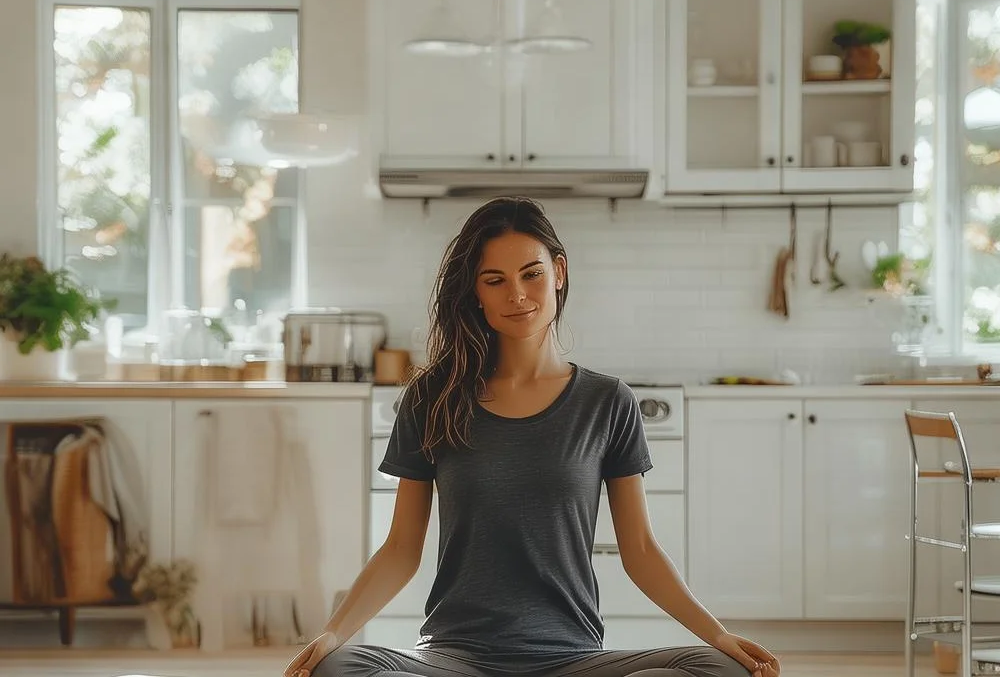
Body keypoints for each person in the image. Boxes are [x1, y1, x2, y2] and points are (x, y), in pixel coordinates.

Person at [284, 197, 782, 677]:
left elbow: (642, 551)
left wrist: (717, 636)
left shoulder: (608, 403)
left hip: (573, 658)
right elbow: (400, 550)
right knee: (340, 666)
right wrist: (330, 636)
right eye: (494, 280)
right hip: (454, 657)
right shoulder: (431, 398)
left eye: (531, 274)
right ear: (475, 293)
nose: (516, 294)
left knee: (718, 668)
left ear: (558, 273)